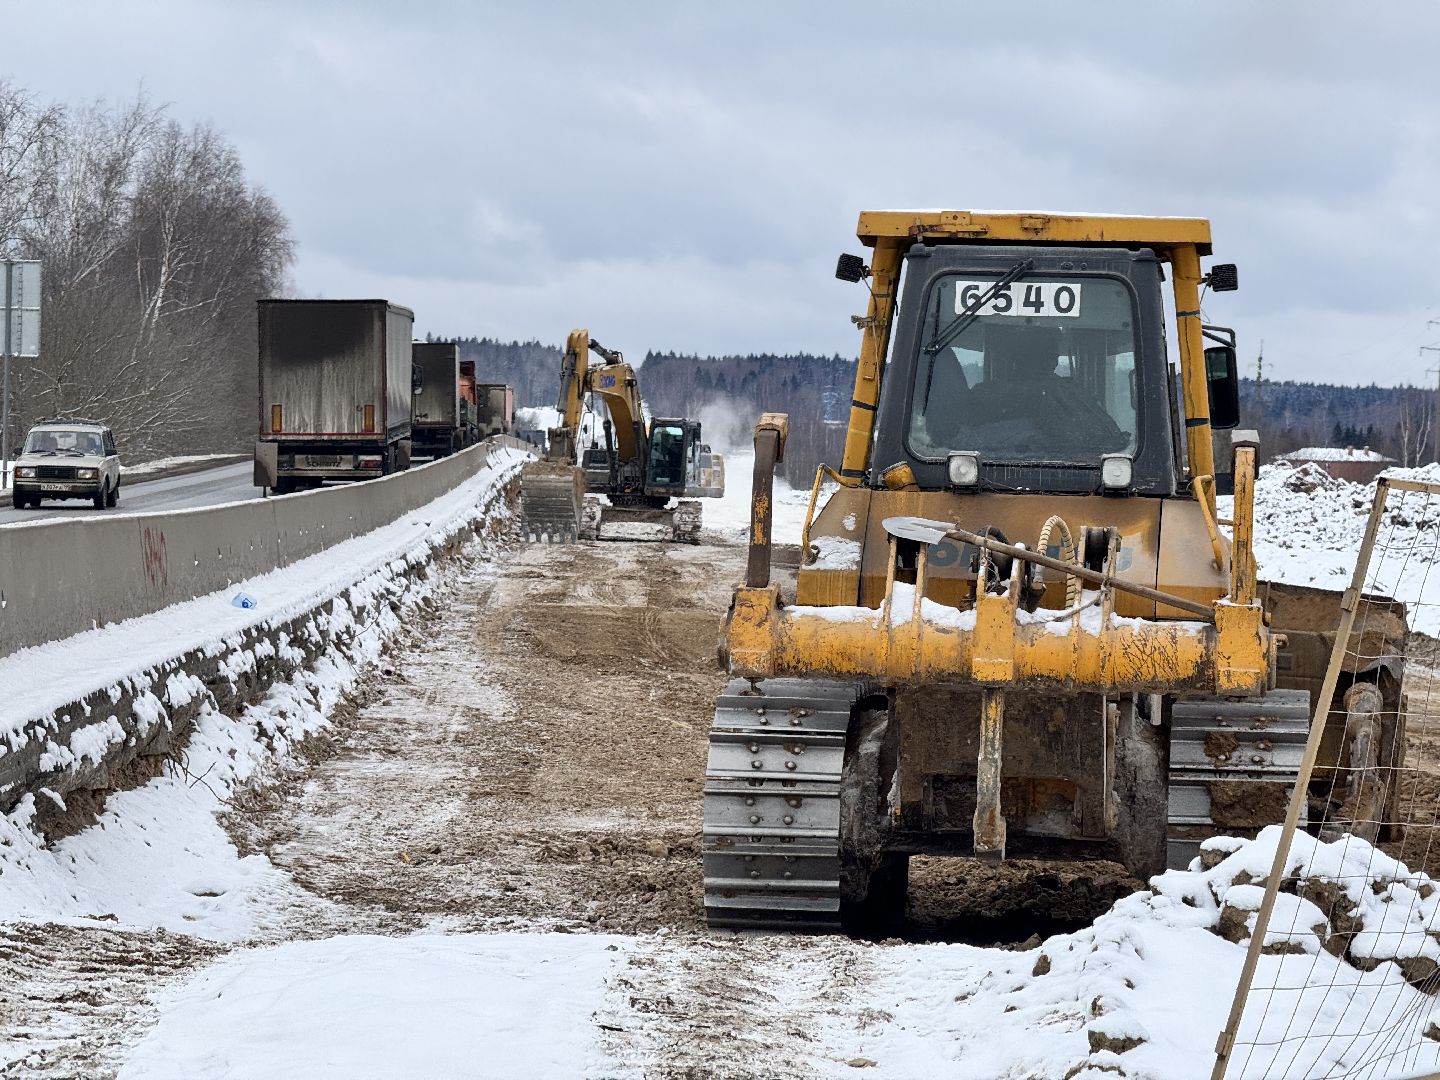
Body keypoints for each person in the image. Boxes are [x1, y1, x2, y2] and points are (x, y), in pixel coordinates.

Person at [936, 324, 1129, 457]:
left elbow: (953, 440)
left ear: (1013, 360)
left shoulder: (984, 395)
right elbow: (1105, 438)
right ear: (1053, 361)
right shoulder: (1071, 394)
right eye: (1041, 354)